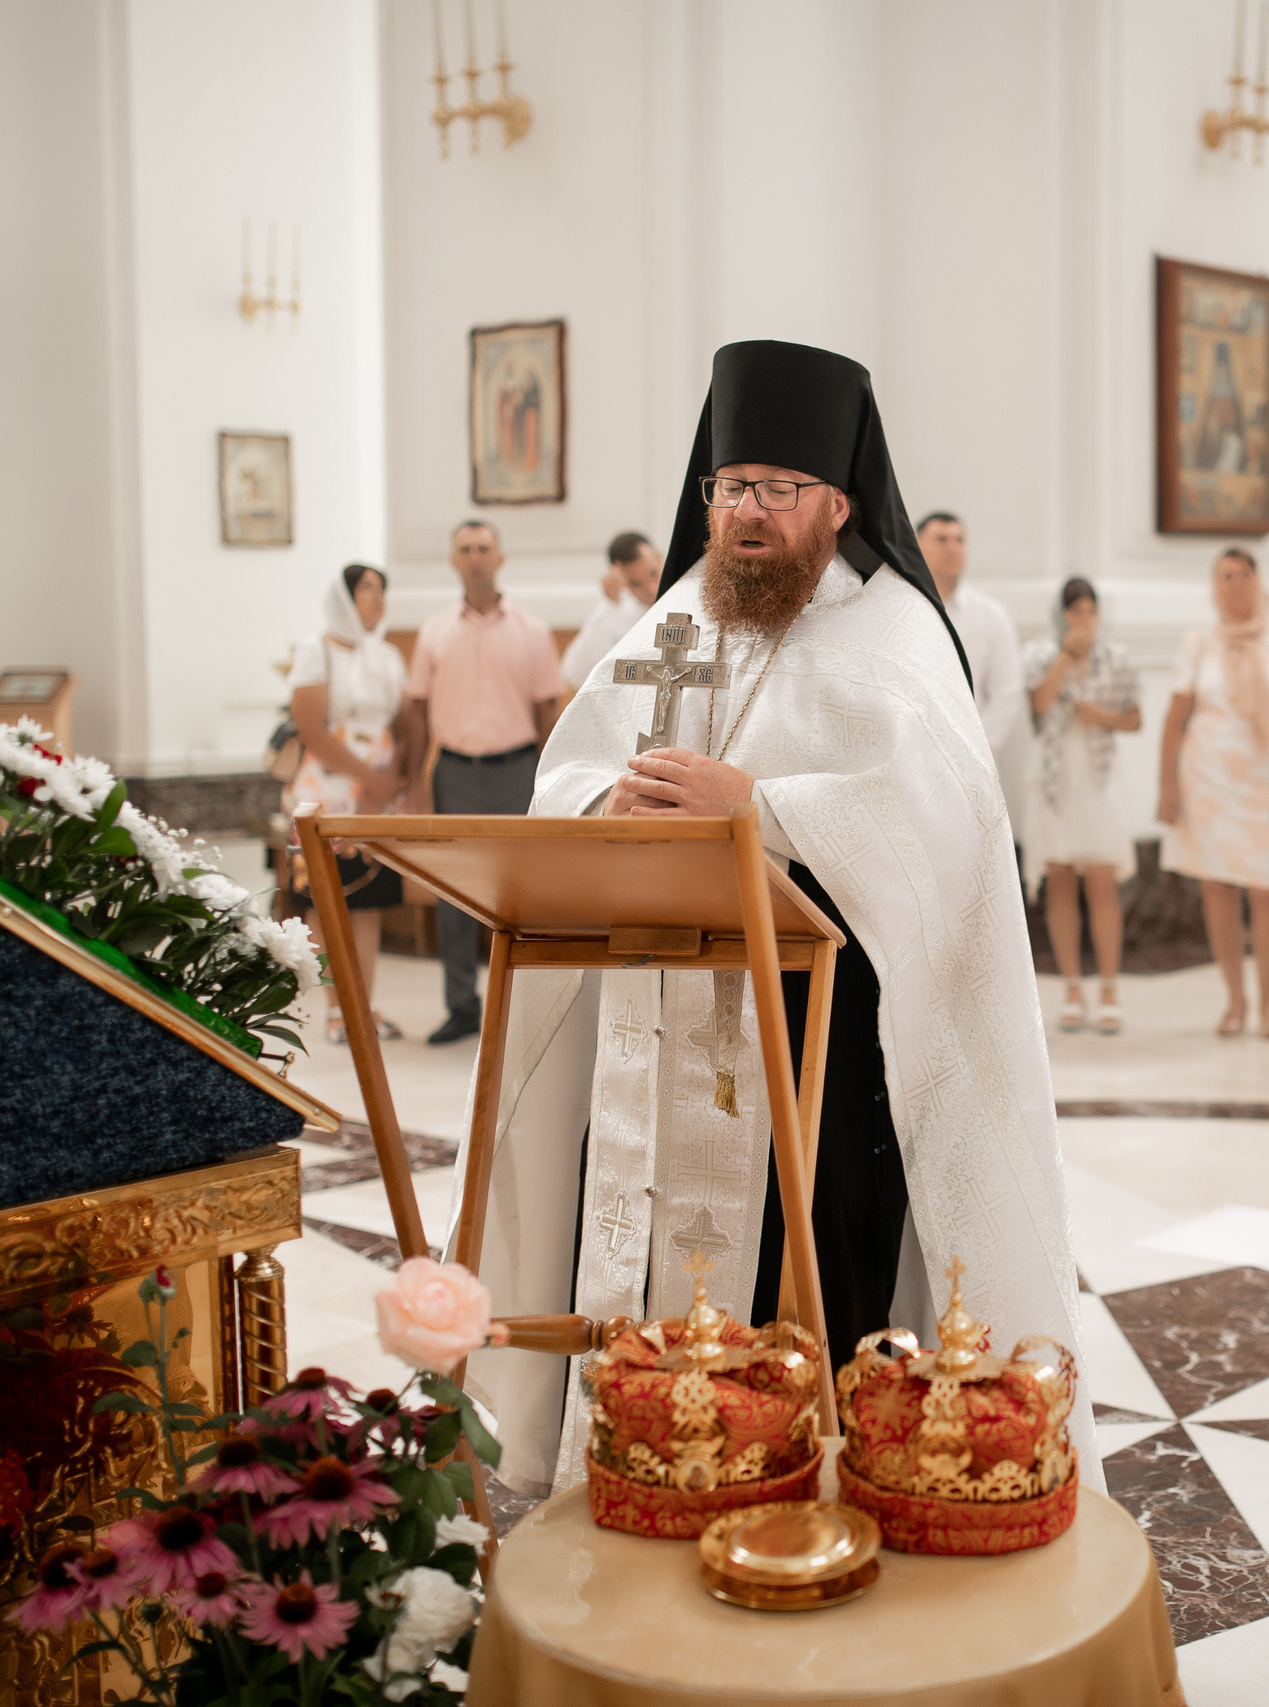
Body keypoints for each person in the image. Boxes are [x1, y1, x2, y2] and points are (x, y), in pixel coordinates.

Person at [449, 340, 1092, 1495]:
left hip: (819, 1038)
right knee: (653, 1271)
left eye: (777, 492)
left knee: (804, 1283)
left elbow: (942, 825)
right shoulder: (671, 622)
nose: (748, 514)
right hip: (657, 1021)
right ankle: (647, 1472)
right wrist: (614, 800)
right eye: (729, 488)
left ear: (837, 503)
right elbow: (569, 778)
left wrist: (761, 807)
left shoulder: (891, 634)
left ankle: (814, 1498)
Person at [396, 519, 567, 1046]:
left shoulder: (532, 630)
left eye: (484, 548)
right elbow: (418, 712)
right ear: (454, 560)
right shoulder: (434, 632)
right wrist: (416, 782)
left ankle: (523, 1008)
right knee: (453, 893)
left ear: (500, 557)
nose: (475, 557)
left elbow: (547, 709)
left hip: (517, 772)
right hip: (453, 773)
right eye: (465, 549)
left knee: (521, 894)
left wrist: (548, 777)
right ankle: (462, 1005)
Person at [1157, 548, 1269, 1038]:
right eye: (1226, 576)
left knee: (1267, 891)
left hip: (1264, 783)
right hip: (1207, 780)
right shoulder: (1198, 643)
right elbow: (1177, 717)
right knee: (1218, 888)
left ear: (1258, 581)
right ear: (1214, 585)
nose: (1236, 585)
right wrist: (1167, 786)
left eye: (1245, 575)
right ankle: (1235, 1000)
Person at [284, 563, 413, 1045]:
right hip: (327, 792)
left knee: (368, 902)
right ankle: (336, 1009)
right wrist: (369, 779)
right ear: (343, 597)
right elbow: (310, 727)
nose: (376, 599)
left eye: (382, 590)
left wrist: (393, 778)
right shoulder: (315, 653)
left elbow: (403, 726)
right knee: (326, 901)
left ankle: (365, 1006)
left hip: (376, 796)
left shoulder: (387, 656)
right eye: (366, 589)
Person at [1023, 579, 1141, 1035]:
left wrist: (1102, 716)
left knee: (1101, 880)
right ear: (1062, 614)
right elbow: (1038, 703)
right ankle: (1072, 986)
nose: (1083, 619)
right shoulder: (1039, 653)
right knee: (1060, 879)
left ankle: (1109, 986)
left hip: (1098, 777)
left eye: (1089, 610)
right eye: (1074, 611)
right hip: (1054, 777)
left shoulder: (1117, 656)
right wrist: (1067, 656)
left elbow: (1134, 718)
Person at [916, 511, 1034, 845]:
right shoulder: (902, 610)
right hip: (912, 760)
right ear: (917, 545)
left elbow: (1008, 691)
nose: (952, 548)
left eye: (959, 540)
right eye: (941, 539)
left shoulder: (991, 615)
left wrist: (973, 747)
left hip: (975, 761)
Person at [559, 531, 664, 692]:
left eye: (653, 574)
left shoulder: (687, 594)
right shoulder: (617, 616)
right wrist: (609, 604)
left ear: (659, 558)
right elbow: (574, 675)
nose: (651, 589)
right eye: (636, 584)